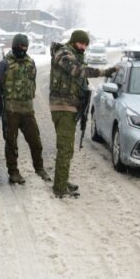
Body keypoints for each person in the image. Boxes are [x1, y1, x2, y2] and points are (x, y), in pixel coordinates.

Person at [48, 30, 116, 199]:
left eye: (86, 44)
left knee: (67, 149)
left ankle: (62, 181)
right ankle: (59, 188)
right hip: (62, 106)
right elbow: (77, 71)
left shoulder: (74, 55)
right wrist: (104, 72)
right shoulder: (64, 54)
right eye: (81, 43)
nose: (84, 47)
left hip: (70, 107)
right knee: (65, 148)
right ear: (74, 41)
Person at [0, 34, 51, 185]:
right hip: (10, 111)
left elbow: (32, 83)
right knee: (11, 143)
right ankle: (13, 172)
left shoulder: (31, 63)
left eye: (25, 47)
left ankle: (39, 168)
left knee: (36, 142)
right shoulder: (3, 64)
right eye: (20, 47)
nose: (22, 50)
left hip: (27, 111)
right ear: (14, 46)